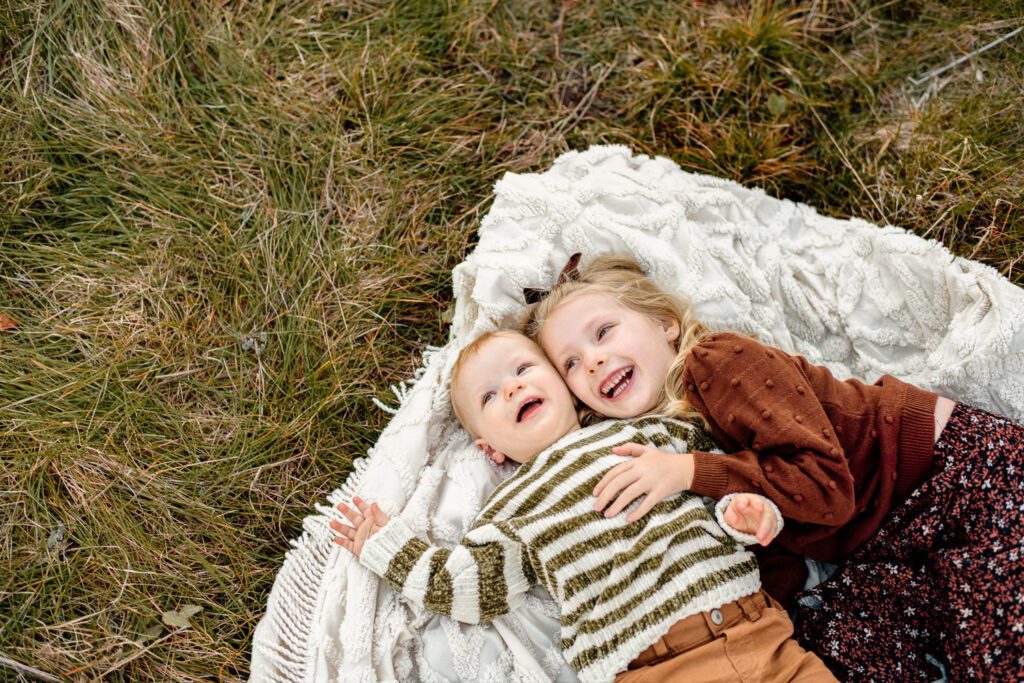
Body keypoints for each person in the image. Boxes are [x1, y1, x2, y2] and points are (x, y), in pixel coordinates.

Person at [525, 254, 1024, 681]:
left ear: (664, 324)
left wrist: (689, 472)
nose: (592, 360)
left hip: (960, 476)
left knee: (995, 649)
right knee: (828, 644)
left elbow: (824, 487)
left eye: (604, 332)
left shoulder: (717, 362)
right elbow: (767, 548)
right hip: (884, 544)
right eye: (570, 363)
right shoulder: (665, 443)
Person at [330, 330, 835, 683]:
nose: (512, 387)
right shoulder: (513, 508)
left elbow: (726, 478)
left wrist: (745, 516)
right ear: (490, 449)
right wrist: (388, 548)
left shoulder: (652, 430)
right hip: (651, 667)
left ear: (570, 390)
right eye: (490, 397)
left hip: (759, 633)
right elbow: (467, 587)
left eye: (524, 369)